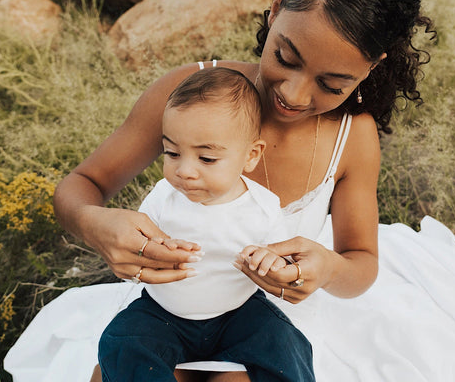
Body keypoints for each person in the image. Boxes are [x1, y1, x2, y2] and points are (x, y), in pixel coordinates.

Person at [4, 0, 455, 382]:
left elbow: (360, 263)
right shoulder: (188, 93)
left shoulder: (354, 139)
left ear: (370, 70)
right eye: (286, 57)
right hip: (174, 301)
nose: (293, 94)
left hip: (277, 310)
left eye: (332, 83)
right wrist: (95, 222)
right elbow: (80, 185)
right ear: (274, 10)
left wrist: (325, 269)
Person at [98, 67, 314, 381]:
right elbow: (139, 243)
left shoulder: (262, 206)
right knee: (120, 343)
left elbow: (281, 258)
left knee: (287, 345)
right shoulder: (163, 197)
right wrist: (157, 249)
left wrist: (271, 262)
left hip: (237, 312)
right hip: (164, 314)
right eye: (172, 152)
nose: (184, 171)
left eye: (206, 158)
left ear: (250, 155)